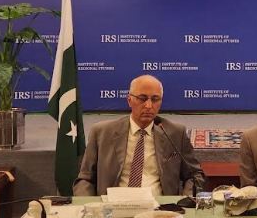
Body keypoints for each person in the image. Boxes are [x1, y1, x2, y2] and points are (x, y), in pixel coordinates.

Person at [73, 75, 205, 196]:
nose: (148, 106)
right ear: (129, 100)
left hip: (159, 208)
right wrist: (88, 206)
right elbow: (85, 179)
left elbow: (194, 175)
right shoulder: (102, 132)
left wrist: (186, 201)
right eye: (142, 98)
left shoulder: (175, 133)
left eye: (155, 99)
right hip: (113, 206)